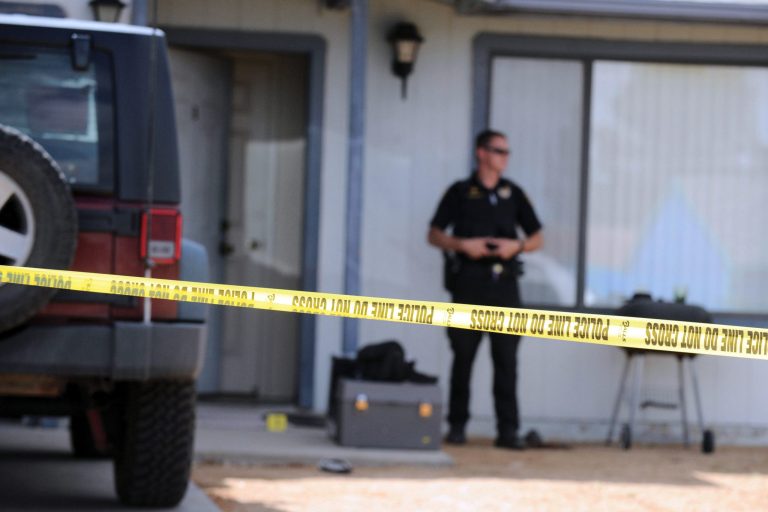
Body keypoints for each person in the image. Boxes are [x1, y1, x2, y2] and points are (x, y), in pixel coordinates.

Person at [427, 129, 543, 450]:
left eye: (507, 152)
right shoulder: (460, 192)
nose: (504, 157)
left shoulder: (514, 193)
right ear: (481, 153)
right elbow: (434, 234)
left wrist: (515, 246)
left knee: (506, 360)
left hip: (504, 286)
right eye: (498, 151)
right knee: (463, 357)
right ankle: (457, 425)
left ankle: (508, 431)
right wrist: (462, 244)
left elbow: (537, 237)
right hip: (468, 283)